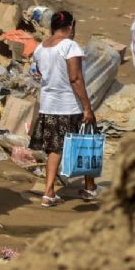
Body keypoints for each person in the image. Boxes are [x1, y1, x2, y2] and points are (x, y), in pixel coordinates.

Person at [28, 11, 98, 207]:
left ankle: (48, 192)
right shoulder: (70, 46)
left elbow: (41, 73)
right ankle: (89, 187)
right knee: (87, 142)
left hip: (49, 105)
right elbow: (75, 78)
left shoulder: (41, 48)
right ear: (71, 26)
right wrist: (87, 107)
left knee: (55, 148)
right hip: (70, 105)